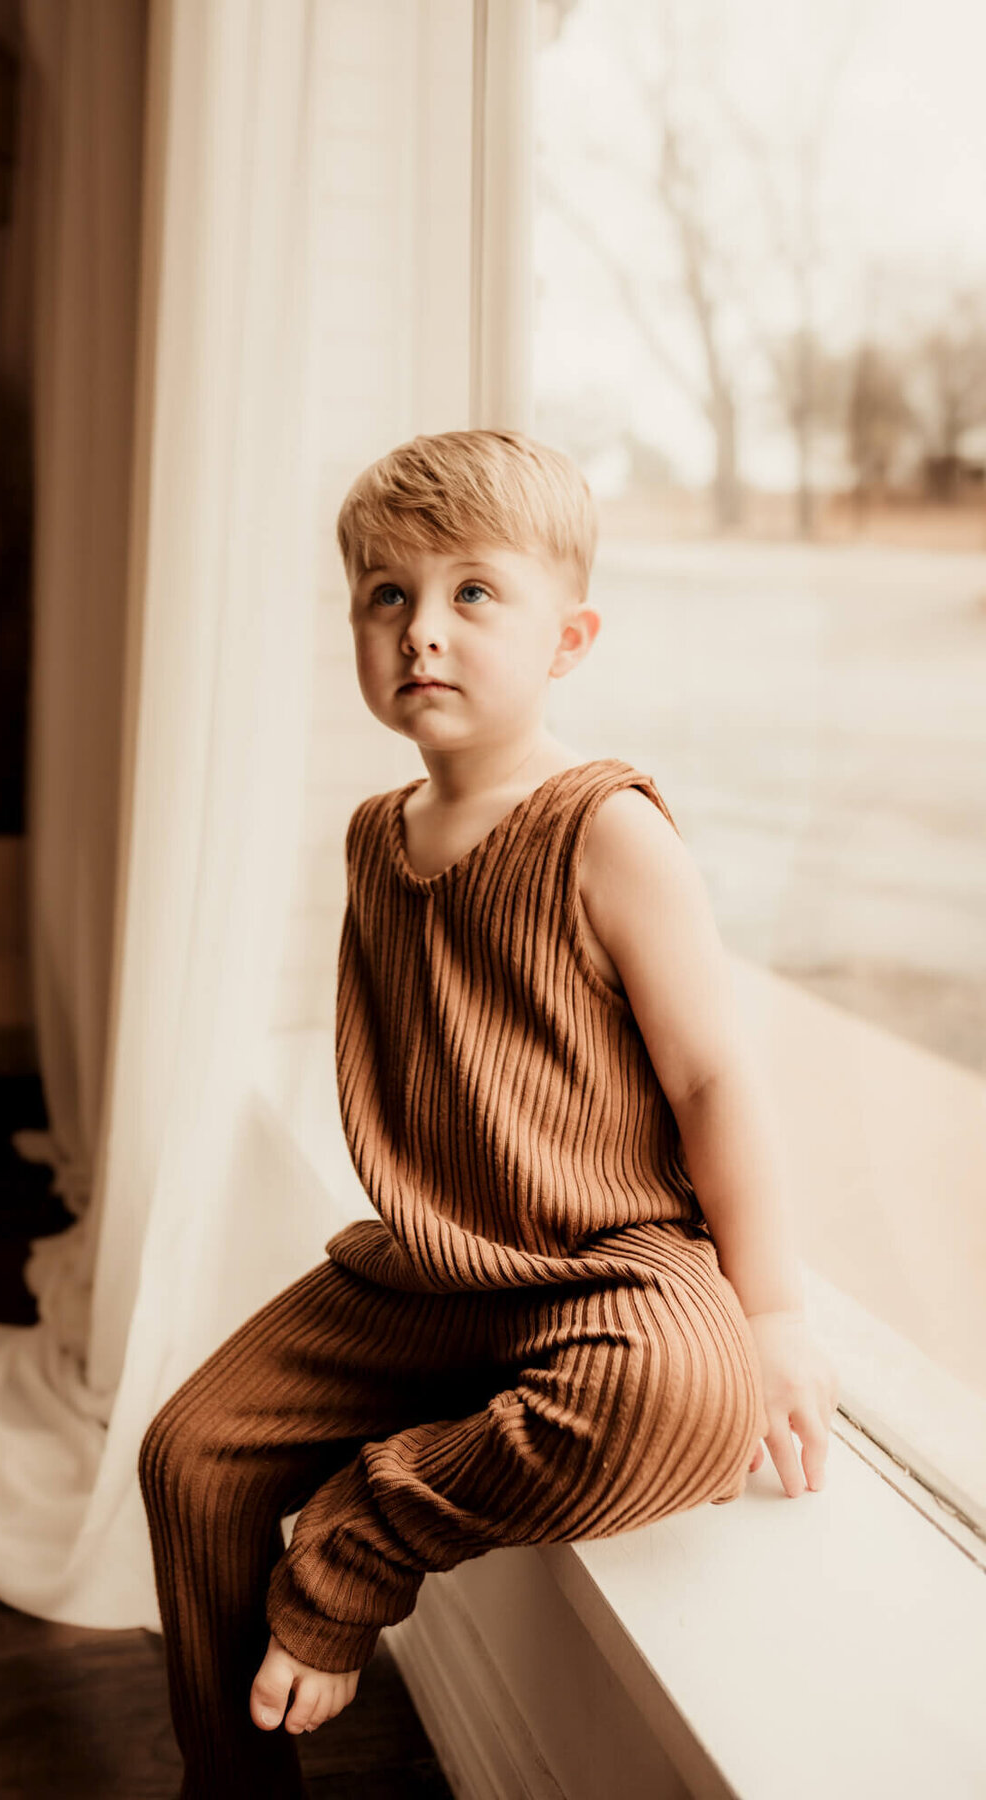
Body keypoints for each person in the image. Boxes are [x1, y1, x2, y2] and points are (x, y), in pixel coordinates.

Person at [139, 428, 839, 1798]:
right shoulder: (373, 837)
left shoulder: (605, 827)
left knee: (681, 1398)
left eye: (473, 593)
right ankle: (233, 1785)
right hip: (434, 1266)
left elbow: (713, 1081)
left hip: (609, 1271)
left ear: (568, 639)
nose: (424, 631)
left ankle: (354, 1553)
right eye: (386, 595)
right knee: (190, 1453)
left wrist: (773, 1311)